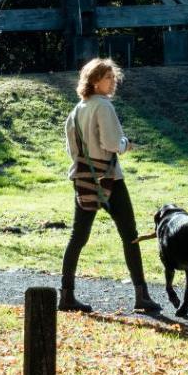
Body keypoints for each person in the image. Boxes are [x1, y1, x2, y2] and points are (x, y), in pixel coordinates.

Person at [58, 58, 160, 313]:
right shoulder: (103, 106)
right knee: (130, 235)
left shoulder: (77, 110)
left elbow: (71, 149)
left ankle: (67, 294)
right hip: (109, 177)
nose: (113, 82)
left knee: (78, 237)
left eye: (113, 77)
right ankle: (141, 296)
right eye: (108, 77)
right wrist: (127, 144)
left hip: (83, 177)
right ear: (94, 81)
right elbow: (113, 143)